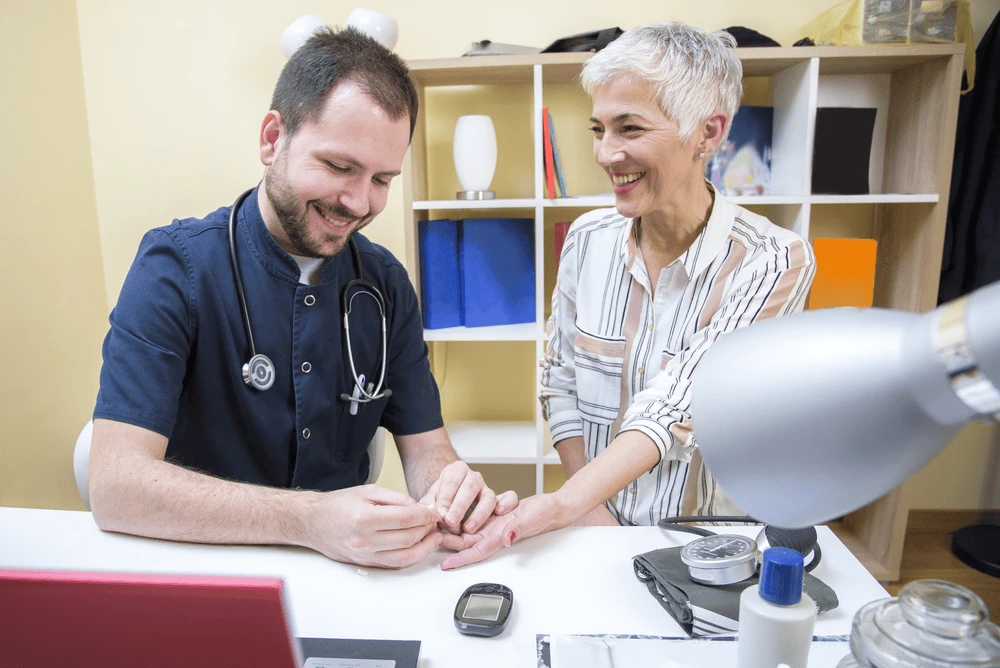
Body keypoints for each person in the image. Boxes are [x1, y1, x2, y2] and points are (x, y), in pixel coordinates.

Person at [88, 27, 516, 570]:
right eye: (339, 167)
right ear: (272, 139)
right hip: (201, 569)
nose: (359, 202)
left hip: (347, 578)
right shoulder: (175, 268)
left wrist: (450, 493)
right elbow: (115, 484)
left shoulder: (384, 283)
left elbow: (427, 448)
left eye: (382, 179)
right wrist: (309, 520)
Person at [438, 22, 816, 569]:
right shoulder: (586, 241)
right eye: (598, 129)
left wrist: (565, 504)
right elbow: (558, 380)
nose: (607, 153)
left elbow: (681, 403)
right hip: (594, 528)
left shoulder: (776, 260)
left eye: (630, 129)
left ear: (708, 132)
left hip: (709, 549)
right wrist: (592, 513)